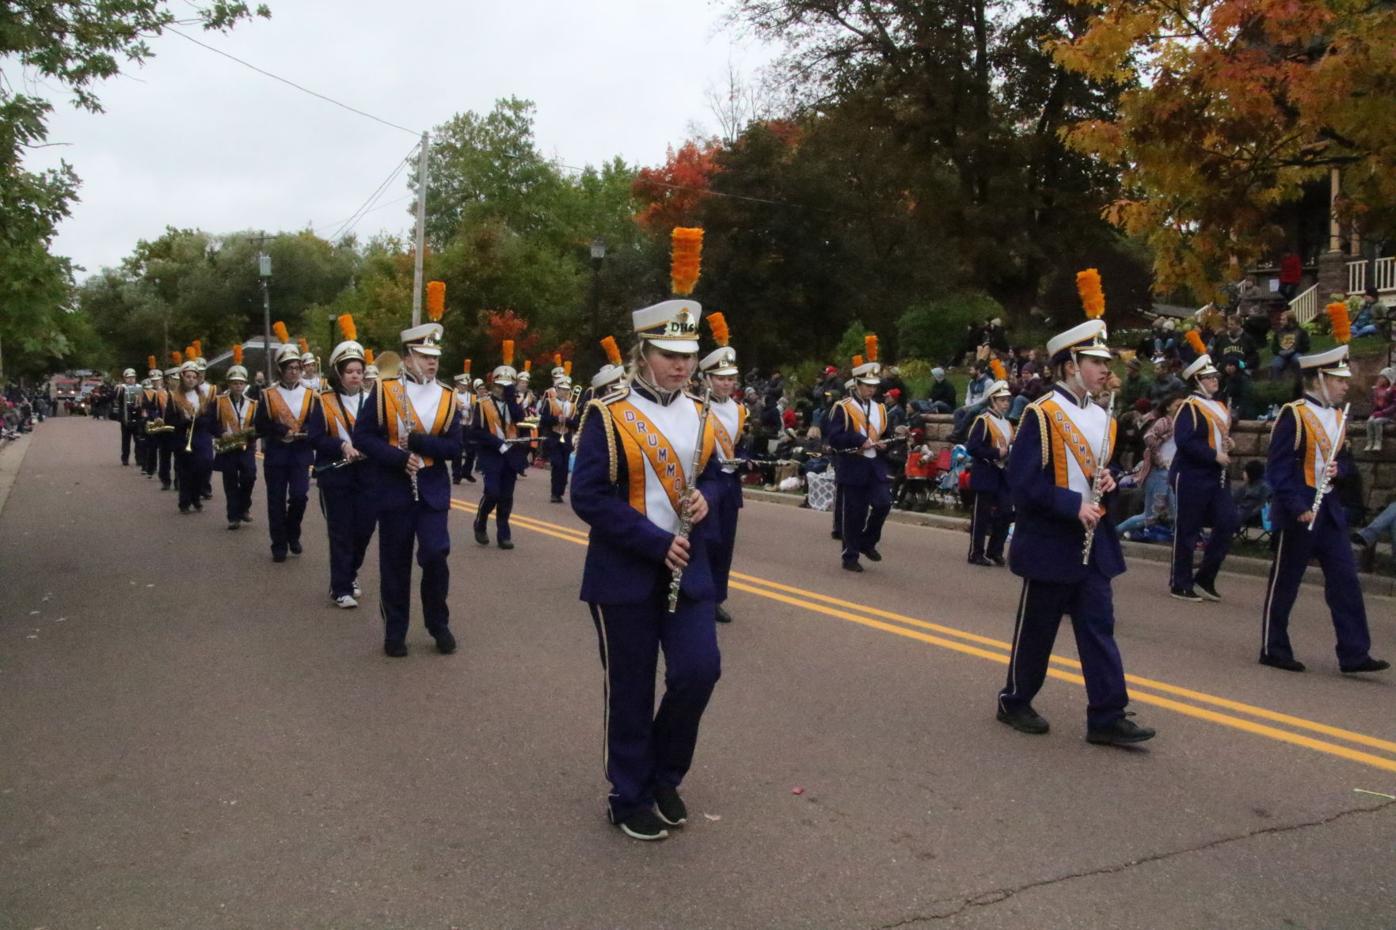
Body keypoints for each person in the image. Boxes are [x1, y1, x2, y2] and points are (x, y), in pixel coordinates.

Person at [570, 297, 723, 842]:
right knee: (631, 688)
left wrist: (706, 500)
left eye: (688, 355)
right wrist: (653, 543)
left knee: (698, 671)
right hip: (625, 571)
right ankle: (627, 794)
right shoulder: (606, 413)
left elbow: (711, 476)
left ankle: (665, 774)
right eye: (668, 354)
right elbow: (586, 495)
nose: (681, 366)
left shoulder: (700, 410)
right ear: (643, 353)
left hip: (689, 567)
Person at [995, 318, 1156, 745]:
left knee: (1099, 628)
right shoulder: (1041, 414)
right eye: (1095, 361)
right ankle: (1014, 699)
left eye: (1106, 362)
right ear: (1070, 366)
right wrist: (1072, 505)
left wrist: (1109, 482)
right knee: (1038, 632)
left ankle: (1107, 715)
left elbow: (1100, 473)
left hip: (1092, 545)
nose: (1105, 369)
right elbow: (1023, 484)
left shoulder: (1104, 417)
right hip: (1052, 541)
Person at [1260, 344, 1389, 674]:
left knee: (1346, 580)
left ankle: (1354, 652)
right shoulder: (1294, 414)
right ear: (1319, 378)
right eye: (1339, 379)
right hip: (1300, 510)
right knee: (1286, 582)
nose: (1346, 385)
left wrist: (1339, 471)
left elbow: (1346, 463)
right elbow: (1278, 469)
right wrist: (1296, 505)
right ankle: (1273, 647)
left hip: (1329, 510)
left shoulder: (1337, 417)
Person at [353, 315, 463, 657]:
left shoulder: (447, 396)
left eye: (435, 356)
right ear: (407, 357)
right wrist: (399, 458)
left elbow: (456, 447)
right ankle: (395, 629)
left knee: (435, 554)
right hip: (394, 486)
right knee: (395, 561)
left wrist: (421, 443)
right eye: (424, 354)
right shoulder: (386, 392)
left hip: (431, 487)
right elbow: (363, 437)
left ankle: (437, 623)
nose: (432, 361)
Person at [309, 322, 376, 609]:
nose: (355, 376)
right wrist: (341, 445)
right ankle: (341, 587)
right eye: (350, 371)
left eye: (359, 371)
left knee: (365, 528)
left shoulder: (373, 400)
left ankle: (350, 572)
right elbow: (315, 437)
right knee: (340, 530)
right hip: (335, 476)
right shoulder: (323, 401)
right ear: (339, 373)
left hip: (367, 475)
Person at [1168, 354, 1239, 602]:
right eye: (1209, 378)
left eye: (1215, 377)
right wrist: (1213, 455)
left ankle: (1205, 578)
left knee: (1228, 521)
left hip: (1216, 477)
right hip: (1191, 475)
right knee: (1188, 529)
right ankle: (1180, 582)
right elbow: (1185, 441)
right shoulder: (1189, 406)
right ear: (1197, 380)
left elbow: (1219, 435)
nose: (1214, 381)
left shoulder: (1219, 406)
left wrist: (1228, 443)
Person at [826, 340, 893, 572]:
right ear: (856, 384)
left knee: (884, 503)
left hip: (875, 465)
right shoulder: (842, 407)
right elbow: (834, 437)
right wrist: (858, 440)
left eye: (873, 386)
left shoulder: (881, 409)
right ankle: (850, 555)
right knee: (854, 514)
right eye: (866, 385)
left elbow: (886, 434)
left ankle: (867, 541)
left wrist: (886, 444)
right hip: (854, 465)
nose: (871, 390)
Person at [253, 342, 321, 563]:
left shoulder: (311, 395)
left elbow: (317, 423)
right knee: (276, 500)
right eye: (289, 367)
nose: (294, 371)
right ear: (281, 370)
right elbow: (261, 426)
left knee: (300, 496)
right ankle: (279, 544)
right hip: (277, 454)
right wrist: (282, 430)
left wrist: (307, 431)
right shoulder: (268, 395)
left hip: (300, 454)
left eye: (297, 367)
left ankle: (293, 532)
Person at [699, 313, 745, 624]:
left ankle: (717, 597)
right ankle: (699, 594)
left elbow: (740, 443)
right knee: (706, 540)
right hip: (705, 482)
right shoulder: (696, 406)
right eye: (720, 378)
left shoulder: (740, 410)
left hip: (730, 485)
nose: (726, 383)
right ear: (707, 379)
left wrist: (746, 458)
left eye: (730, 378)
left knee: (725, 543)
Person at [469, 344, 528, 549]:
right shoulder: (483, 403)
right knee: (492, 492)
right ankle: (481, 522)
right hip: (491, 453)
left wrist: (512, 397)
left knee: (506, 496)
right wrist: (497, 444)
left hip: (511, 454)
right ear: (493, 384)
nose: (502, 389)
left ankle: (504, 534)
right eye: (500, 386)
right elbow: (476, 431)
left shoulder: (513, 403)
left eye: (506, 386)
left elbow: (520, 419)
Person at [1117, 395, 1182, 539]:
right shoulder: (1164, 422)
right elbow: (1148, 437)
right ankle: (1115, 532)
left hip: (1172, 473)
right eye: (1177, 404)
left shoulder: (1181, 424)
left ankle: (1182, 545)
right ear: (1168, 407)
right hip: (1159, 473)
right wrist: (1159, 458)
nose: (1181, 407)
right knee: (1150, 516)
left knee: (1177, 513)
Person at [965, 379, 1013, 566]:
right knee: (981, 516)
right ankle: (976, 552)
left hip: (1003, 474)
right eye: (1002, 400)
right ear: (992, 401)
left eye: (1007, 400)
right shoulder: (983, 421)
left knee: (1006, 512)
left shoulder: (1007, 423)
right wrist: (995, 453)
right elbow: (973, 447)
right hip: (986, 472)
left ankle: (995, 550)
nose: (1006, 404)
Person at [164, 359, 216, 516]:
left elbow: (210, 416)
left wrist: (200, 420)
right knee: (185, 471)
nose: (191, 379)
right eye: (188, 376)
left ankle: (196, 494)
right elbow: (169, 420)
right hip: (183, 437)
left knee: (204, 466)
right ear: (182, 377)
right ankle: (186, 501)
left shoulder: (203, 397)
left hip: (201, 436)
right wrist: (184, 422)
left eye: (194, 377)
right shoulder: (174, 397)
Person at [211, 362, 257, 531]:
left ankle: (244, 506)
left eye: (241, 383)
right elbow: (211, 422)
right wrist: (221, 432)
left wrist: (252, 434)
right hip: (228, 447)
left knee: (249, 477)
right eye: (235, 383)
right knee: (230, 482)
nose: (238, 386)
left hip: (246, 447)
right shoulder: (219, 401)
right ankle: (233, 517)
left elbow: (256, 425)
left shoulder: (253, 403)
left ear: (245, 384)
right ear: (229, 384)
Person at [539, 376, 580, 503]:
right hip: (554, 437)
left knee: (564, 467)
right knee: (556, 464)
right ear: (557, 389)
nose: (565, 392)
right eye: (562, 389)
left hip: (566, 438)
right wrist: (556, 419)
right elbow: (543, 421)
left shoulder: (573, 406)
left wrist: (567, 421)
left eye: (567, 390)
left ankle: (560, 491)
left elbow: (577, 424)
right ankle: (554, 493)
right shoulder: (550, 403)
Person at [451, 367, 476, 484]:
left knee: (471, 450)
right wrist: (459, 407)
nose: (463, 387)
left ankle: (466, 472)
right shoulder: (452, 394)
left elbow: (475, 408)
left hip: (469, 425)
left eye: (465, 386)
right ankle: (456, 475)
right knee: (458, 450)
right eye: (461, 385)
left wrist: (470, 407)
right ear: (457, 384)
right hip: (458, 425)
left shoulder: (471, 396)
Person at [1269, 311, 1309, 380]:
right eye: (1281, 319)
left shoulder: (1301, 331)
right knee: (1275, 365)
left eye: (1283, 320)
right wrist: (1279, 352)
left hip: (1296, 352)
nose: (1281, 322)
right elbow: (1274, 347)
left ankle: (1300, 383)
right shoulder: (1279, 332)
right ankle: (1276, 387)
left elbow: (1306, 346)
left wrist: (1294, 350)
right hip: (1282, 354)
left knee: (1298, 361)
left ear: (1290, 320)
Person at [114, 368, 142, 466]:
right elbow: (114, 398)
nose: (131, 379)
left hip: (137, 417)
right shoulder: (121, 388)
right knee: (126, 440)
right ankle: (125, 458)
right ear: (125, 378)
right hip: (126, 418)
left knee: (138, 440)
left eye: (132, 377)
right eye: (128, 378)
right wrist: (117, 389)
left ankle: (139, 459)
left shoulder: (140, 388)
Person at [1363, 367, 1395, 452]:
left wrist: (1382, 413)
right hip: (1378, 413)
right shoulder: (1377, 390)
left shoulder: (1392, 390)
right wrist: (1373, 412)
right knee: (1370, 421)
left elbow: (1394, 405)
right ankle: (1370, 442)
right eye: (1380, 377)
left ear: (1388, 379)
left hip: (1388, 415)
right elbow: (1375, 404)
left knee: (1377, 422)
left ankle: (1378, 442)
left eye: (1383, 377)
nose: (1380, 379)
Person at [1233, 460, 1270, 530]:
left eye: (1245, 471)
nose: (1243, 473)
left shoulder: (1263, 488)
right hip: (1240, 512)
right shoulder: (1245, 486)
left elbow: (1262, 506)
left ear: (1250, 473)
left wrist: (1249, 514)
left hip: (1250, 516)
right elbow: (1234, 500)